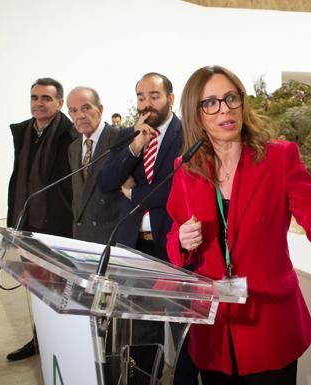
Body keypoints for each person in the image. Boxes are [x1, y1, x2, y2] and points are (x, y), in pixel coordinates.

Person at [165, 65, 311, 384]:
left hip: (269, 326)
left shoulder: (279, 158)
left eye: (231, 98)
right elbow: (175, 236)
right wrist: (182, 241)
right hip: (212, 333)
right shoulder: (186, 169)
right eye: (211, 102)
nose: (224, 109)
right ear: (196, 113)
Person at [98, 73, 197, 385]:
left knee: (182, 326)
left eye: (154, 95)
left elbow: (177, 190)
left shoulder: (188, 135)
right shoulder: (130, 135)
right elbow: (106, 182)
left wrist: (132, 193)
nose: (146, 103)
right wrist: (137, 144)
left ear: (170, 97)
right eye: (140, 97)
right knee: (141, 326)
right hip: (135, 246)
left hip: (173, 245)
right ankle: (146, 379)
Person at [6, 77, 77, 361]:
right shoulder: (23, 131)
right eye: (35, 97)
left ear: (59, 103)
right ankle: (40, 340)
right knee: (36, 288)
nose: (39, 103)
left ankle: (66, 344)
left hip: (59, 225)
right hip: (28, 223)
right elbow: (18, 178)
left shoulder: (70, 133)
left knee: (60, 289)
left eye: (46, 98)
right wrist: (15, 220)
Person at [67, 87, 128, 243]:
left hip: (113, 239)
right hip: (82, 238)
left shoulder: (120, 138)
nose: (80, 116)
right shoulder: (73, 148)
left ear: (100, 109)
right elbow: (78, 196)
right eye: (73, 110)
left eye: (86, 108)